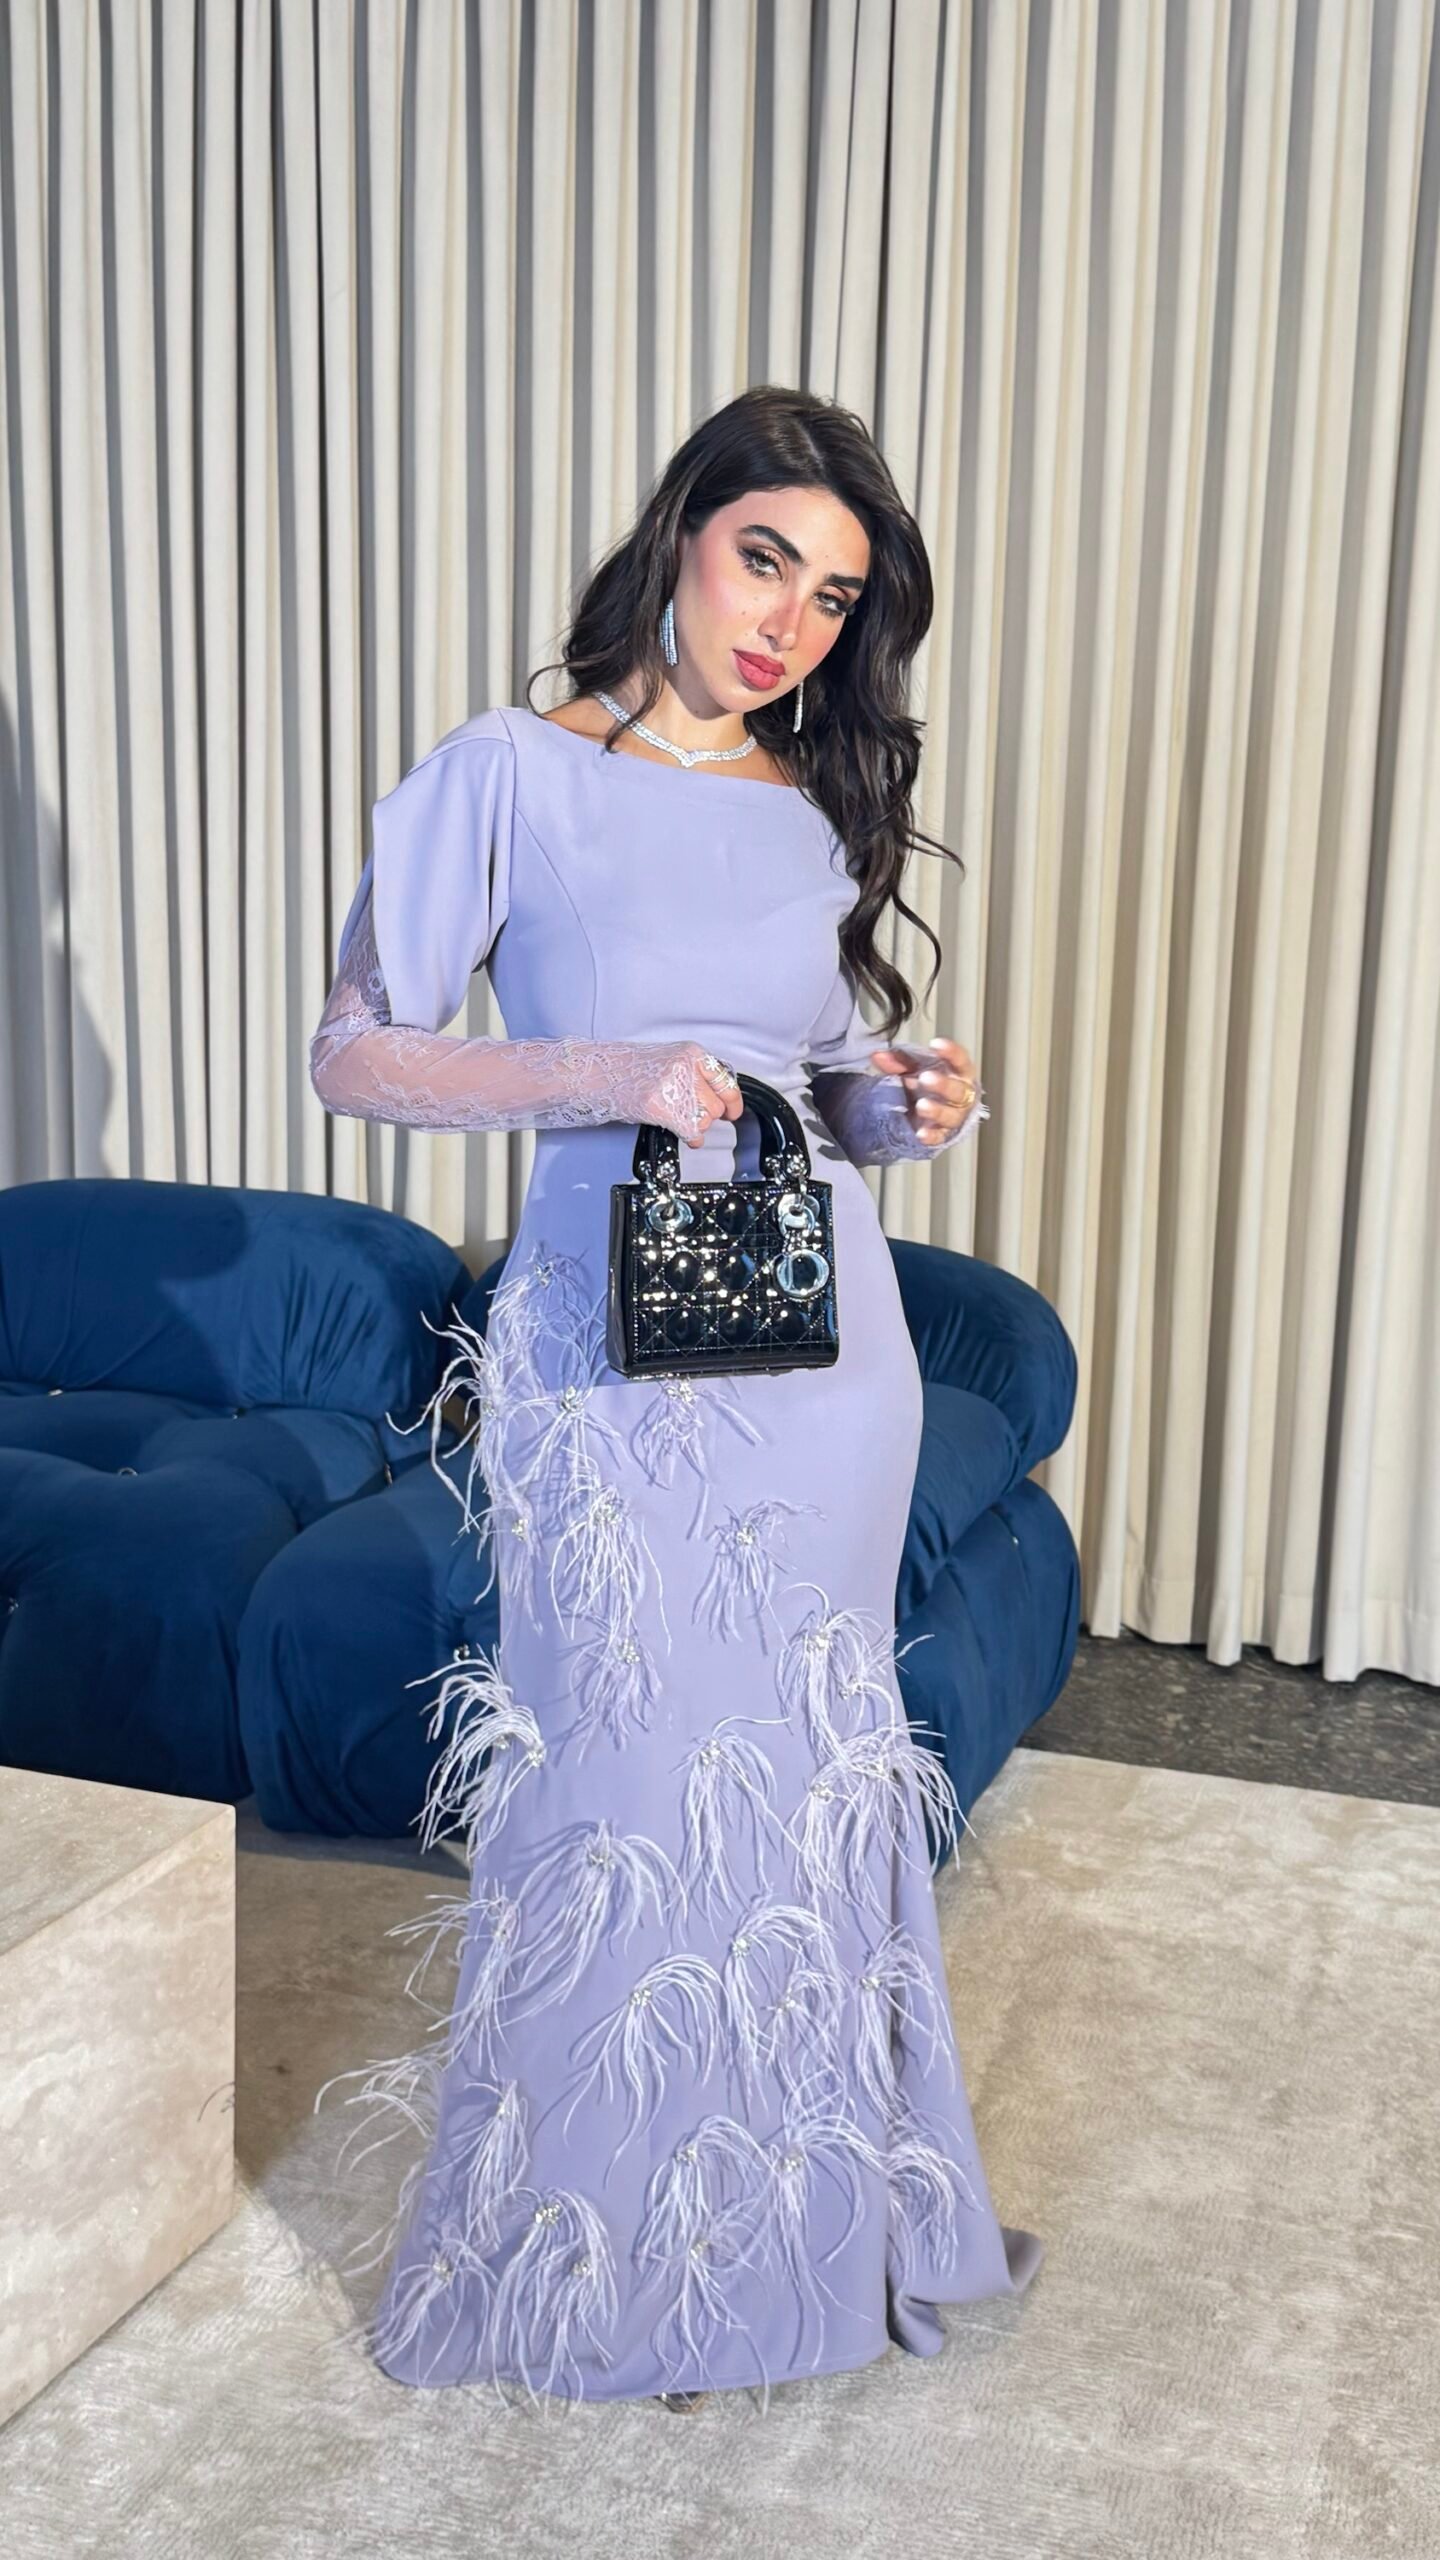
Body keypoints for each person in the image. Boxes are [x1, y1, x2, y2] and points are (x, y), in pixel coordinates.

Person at [306, 384, 1043, 2418]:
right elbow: (355, 1051)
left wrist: (899, 1105)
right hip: (601, 1350)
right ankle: (596, 2255)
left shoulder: (810, 805)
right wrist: (605, 1072)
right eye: (763, 560)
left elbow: (810, 1090)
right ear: (681, 534)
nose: (788, 622)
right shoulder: (511, 771)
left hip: (819, 1354)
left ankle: (803, 2242)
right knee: (616, 1776)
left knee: (806, 1771)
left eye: (835, 597)